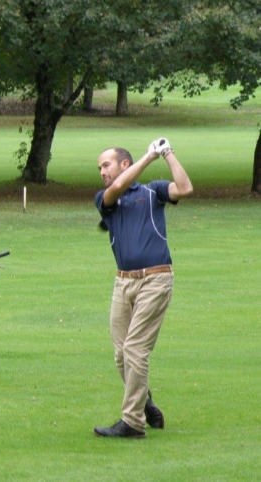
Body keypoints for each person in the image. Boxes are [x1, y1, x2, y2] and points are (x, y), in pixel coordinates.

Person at [93, 137, 193, 438]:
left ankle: (133, 423)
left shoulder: (152, 191)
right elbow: (115, 190)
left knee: (136, 349)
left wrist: (167, 153)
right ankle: (144, 401)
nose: (101, 171)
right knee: (121, 355)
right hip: (123, 282)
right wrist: (149, 157)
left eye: (106, 164)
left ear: (124, 163)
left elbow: (185, 188)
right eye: (99, 167)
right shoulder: (105, 198)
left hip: (156, 279)